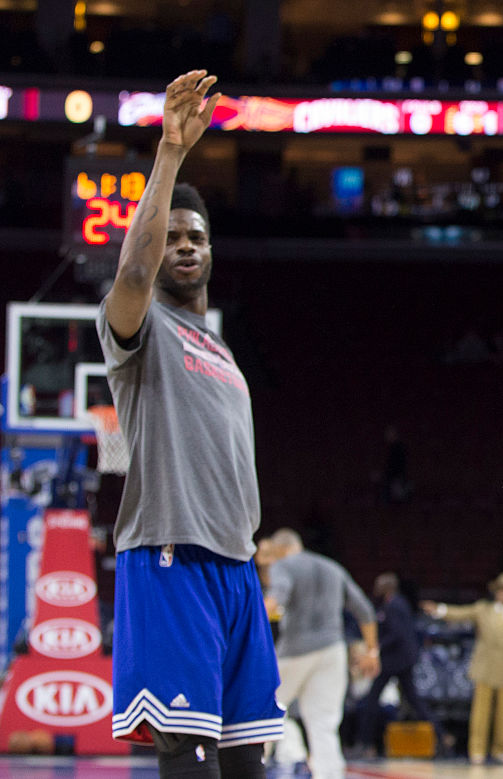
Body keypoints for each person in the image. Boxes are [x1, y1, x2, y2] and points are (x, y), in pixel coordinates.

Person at [97, 69, 284, 777]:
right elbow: (135, 276)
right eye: (172, 234)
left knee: (246, 758)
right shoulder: (141, 327)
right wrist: (170, 156)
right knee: (189, 753)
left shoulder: (224, 349)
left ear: (210, 249)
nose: (183, 245)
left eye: (195, 236)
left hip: (235, 567)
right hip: (170, 553)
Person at [263, 528, 380, 778]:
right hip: (332, 650)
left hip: (294, 650)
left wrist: (245, 622)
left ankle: (252, 768)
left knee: (263, 711)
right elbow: (365, 610)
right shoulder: (333, 568)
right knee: (324, 723)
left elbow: (277, 597)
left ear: (281, 550)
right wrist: (372, 650)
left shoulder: (283, 566)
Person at [421, 572, 503, 765]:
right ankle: (477, 749)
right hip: (484, 666)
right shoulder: (483, 610)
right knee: (480, 711)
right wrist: (439, 610)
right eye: (500, 590)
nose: (502, 594)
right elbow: (461, 612)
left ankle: (500, 749)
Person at [353, 572, 450, 758]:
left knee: (373, 700)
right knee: (413, 700)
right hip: (401, 659)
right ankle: (442, 736)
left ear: (387, 587)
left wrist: (377, 648)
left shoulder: (393, 605)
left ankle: (364, 744)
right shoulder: (396, 603)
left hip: (395, 660)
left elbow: (397, 634)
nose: (376, 588)